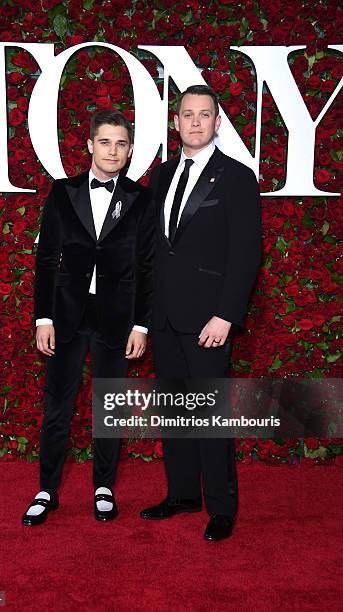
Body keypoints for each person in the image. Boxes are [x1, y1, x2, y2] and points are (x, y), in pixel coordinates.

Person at [140, 85, 261, 541]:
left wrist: (226, 315)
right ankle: (184, 494)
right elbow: (155, 249)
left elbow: (246, 254)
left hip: (209, 320)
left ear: (216, 122)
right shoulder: (163, 174)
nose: (194, 122)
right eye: (187, 114)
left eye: (204, 114)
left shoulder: (236, 177)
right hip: (166, 319)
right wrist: (147, 314)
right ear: (176, 123)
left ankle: (223, 508)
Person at [22, 108, 154, 526]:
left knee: (110, 407)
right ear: (90, 145)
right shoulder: (62, 193)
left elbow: (148, 264)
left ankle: (103, 487)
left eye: (120, 144)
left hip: (116, 316)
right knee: (58, 404)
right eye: (105, 142)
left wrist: (141, 323)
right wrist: (43, 317)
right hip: (66, 315)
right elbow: (45, 259)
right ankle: (46, 489)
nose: (112, 150)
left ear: (130, 151)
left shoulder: (141, 199)